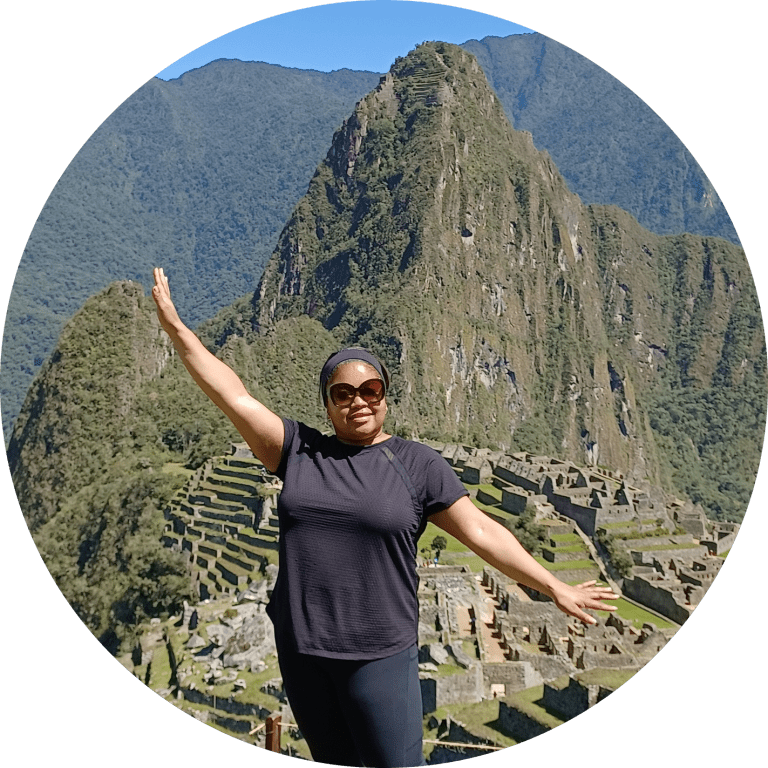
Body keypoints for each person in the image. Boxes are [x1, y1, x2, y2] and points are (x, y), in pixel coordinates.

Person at [151, 267, 617, 767]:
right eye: (343, 394)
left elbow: (482, 531)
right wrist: (177, 330)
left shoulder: (417, 465)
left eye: (370, 390)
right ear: (327, 404)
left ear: (385, 396)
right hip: (304, 651)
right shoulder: (297, 451)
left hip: (377, 653)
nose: (358, 402)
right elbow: (232, 394)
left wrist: (553, 586)